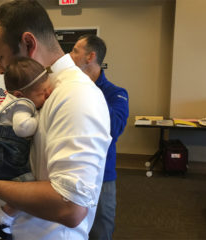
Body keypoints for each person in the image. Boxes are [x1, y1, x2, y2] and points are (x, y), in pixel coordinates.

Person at [0, 1, 112, 239]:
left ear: (28, 43)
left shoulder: (77, 96)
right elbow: (18, 172)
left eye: (1, 57)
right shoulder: (34, 90)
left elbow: (70, 207)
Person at [0, 57, 53, 240]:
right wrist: (39, 120)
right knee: (26, 187)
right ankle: (2, 221)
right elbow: (22, 128)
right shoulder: (23, 104)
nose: (47, 95)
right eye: (42, 93)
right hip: (5, 151)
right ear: (19, 93)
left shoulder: (8, 100)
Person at [70, 34, 129, 239]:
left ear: (90, 57)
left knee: (100, 232)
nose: (70, 55)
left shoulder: (116, 93)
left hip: (101, 177)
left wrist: (88, 92)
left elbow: (115, 127)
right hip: (71, 173)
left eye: (75, 50)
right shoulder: (68, 90)